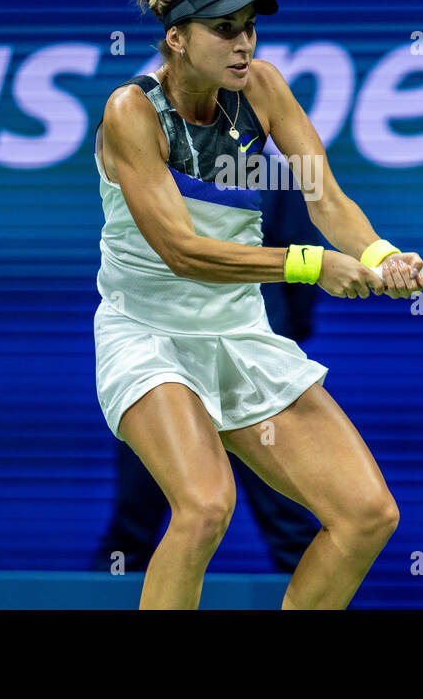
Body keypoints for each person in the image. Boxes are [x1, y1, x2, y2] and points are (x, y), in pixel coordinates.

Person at [92, 0, 423, 609]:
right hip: (148, 338)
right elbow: (182, 251)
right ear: (177, 39)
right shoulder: (131, 112)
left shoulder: (263, 90)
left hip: (240, 335)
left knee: (367, 514)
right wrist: (308, 264)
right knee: (204, 506)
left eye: (249, 26)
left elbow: (324, 198)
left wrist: (378, 255)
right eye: (224, 29)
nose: (243, 42)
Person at [91, 181, 324, 575]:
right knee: (137, 529)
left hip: (243, 366)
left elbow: (299, 255)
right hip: (163, 369)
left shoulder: (264, 173)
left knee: (295, 531)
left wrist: (273, 339)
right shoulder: (259, 167)